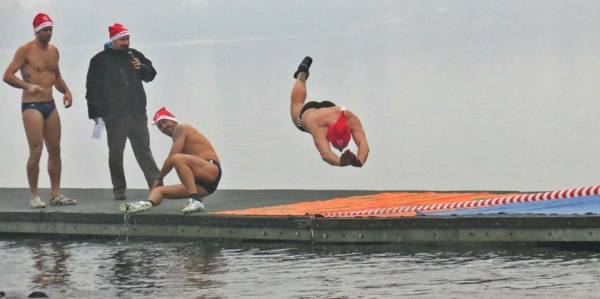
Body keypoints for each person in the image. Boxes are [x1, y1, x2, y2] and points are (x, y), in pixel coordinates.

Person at [2, 13, 77, 208]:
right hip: (32, 106)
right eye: (45, 29)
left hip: (50, 104)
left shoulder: (54, 51)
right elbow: (7, 76)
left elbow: (56, 76)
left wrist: (67, 91)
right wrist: (27, 86)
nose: (49, 33)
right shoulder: (25, 50)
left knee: (55, 149)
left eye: (51, 29)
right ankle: (34, 195)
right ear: (37, 31)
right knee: (36, 150)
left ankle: (56, 193)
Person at [85, 22, 160, 200]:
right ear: (113, 40)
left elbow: (151, 74)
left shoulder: (134, 55)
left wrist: (141, 68)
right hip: (114, 116)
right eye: (122, 39)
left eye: (127, 39)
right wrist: (95, 114)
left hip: (137, 113)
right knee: (116, 154)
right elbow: (92, 87)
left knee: (144, 150)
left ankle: (156, 185)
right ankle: (119, 189)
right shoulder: (99, 60)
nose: (126, 43)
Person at [119, 107, 222, 214]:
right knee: (159, 190)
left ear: (173, 120)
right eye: (160, 126)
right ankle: (145, 204)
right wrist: (157, 185)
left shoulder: (181, 128)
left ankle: (195, 200)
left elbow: (173, 157)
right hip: (204, 187)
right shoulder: (178, 139)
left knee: (177, 159)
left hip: (210, 170)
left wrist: (159, 178)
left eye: (164, 122)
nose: (163, 127)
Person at [290, 56, 369, 167]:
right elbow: (326, 154)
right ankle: (302, 73)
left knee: (297, 103)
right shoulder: (320, 127)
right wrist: (341, 162)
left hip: (325, 110)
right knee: (296, 104)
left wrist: (360, 161)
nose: (340, 149)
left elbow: (363, 145)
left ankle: (302, 74)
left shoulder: (349, 118)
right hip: (309, 113)